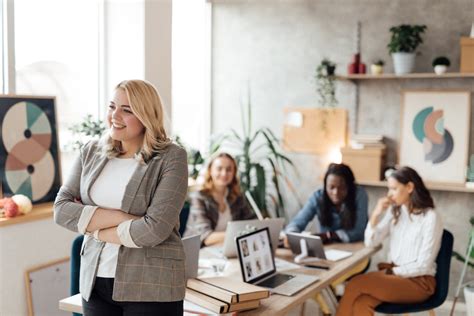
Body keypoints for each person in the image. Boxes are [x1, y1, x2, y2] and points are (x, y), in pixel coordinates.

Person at [54, 80, 187, 316]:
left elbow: (154, 230)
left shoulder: (171, 157)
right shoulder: (91, 151)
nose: (115, 115)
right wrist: (125, 217)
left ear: (147, 115)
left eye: (127, 110)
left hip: (151, 285)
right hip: (95, 283)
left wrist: (94, 229)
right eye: (112, 106)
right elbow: (62, 210)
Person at [336, 166, 443, 316]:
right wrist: (375, 215)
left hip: (418, 282)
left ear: (410, 187)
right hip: (394, 276)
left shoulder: (430, 217)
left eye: (393, 189)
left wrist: (392, 271)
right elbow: (371, 243)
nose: (389, 194)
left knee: (354, 284)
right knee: (362, 302)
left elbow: (423, 265)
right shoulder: (395, 211)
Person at [285, 163, 368, 244]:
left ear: (349, 187)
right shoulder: (318, 197)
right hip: (327, 251)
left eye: (342, 187)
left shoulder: (360, 195)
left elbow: (359, 231)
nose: (336, 192)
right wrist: (291, 235)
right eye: (331, 187)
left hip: (355, 249)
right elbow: (298, 222)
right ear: (325, 186)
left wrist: (329, 236)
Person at [184, 153, 256, 245]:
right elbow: (206, 237)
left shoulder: (237, 196)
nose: (224, 173)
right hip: (197, 251)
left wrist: (262, 225)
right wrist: (241, 233)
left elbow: (251, 221)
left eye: (229, 169)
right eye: (219, 168)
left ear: (234, 172)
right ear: (210, 171)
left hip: (224, 249)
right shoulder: (199, 197)